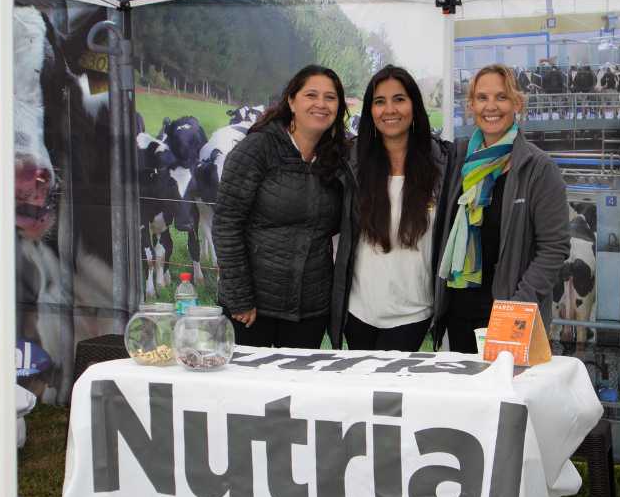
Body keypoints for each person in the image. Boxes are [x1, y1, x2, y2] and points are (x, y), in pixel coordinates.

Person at [213, 65, 352, 348]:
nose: (321, 104)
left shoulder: (338, 158)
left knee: (300, 390)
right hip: (252, 310)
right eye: (311, 95)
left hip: (310, 310)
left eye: (330, 97)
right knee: (252, 390)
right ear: (291, 100)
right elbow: (227, 223)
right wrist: (240, 298)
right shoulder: (257, 148)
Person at [434, 63, 570, 353]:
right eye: (482, 98)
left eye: (501, 97)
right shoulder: (458, 160)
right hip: (460, 310)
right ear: (470, 105)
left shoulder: (538, 168)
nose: (491, 106)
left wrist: (518, 306)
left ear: (516, 103)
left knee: (506, 396)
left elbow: (554, 248)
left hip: (510, 313)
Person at [330, 66, 453, 351]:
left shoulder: (443, 164)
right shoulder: (350, 162)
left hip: (413, 313)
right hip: (358, 312)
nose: (390, 109)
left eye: (399, 99)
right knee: (360, 393)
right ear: (370, 110)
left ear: (414, 106)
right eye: (379, 101)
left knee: (394, 395)